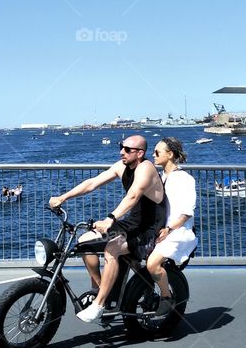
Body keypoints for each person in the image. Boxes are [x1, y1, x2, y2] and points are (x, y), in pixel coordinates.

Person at [49, 135, 164, 323]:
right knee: (84, 241)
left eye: (127, 149)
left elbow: (134, 196)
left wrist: (110, 218)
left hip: (149, 229)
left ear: (140, 153)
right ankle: (100, 289)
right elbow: (93, 183)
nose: (121, 152)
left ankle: (100, 305)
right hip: (131, 224)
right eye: (121, 147)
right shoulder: (122, 166)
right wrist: (63, 197)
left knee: (112, 248)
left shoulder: (146, 168)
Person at [147, 137, 197, 317]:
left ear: (170, 154)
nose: (153, 155)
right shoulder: (161, 177)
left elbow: (186, 212)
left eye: (157, 152)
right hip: (162, 231)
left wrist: (169, 229)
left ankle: (166, 297)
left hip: (178, 232)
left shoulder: (184, 179)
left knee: (152, 264)